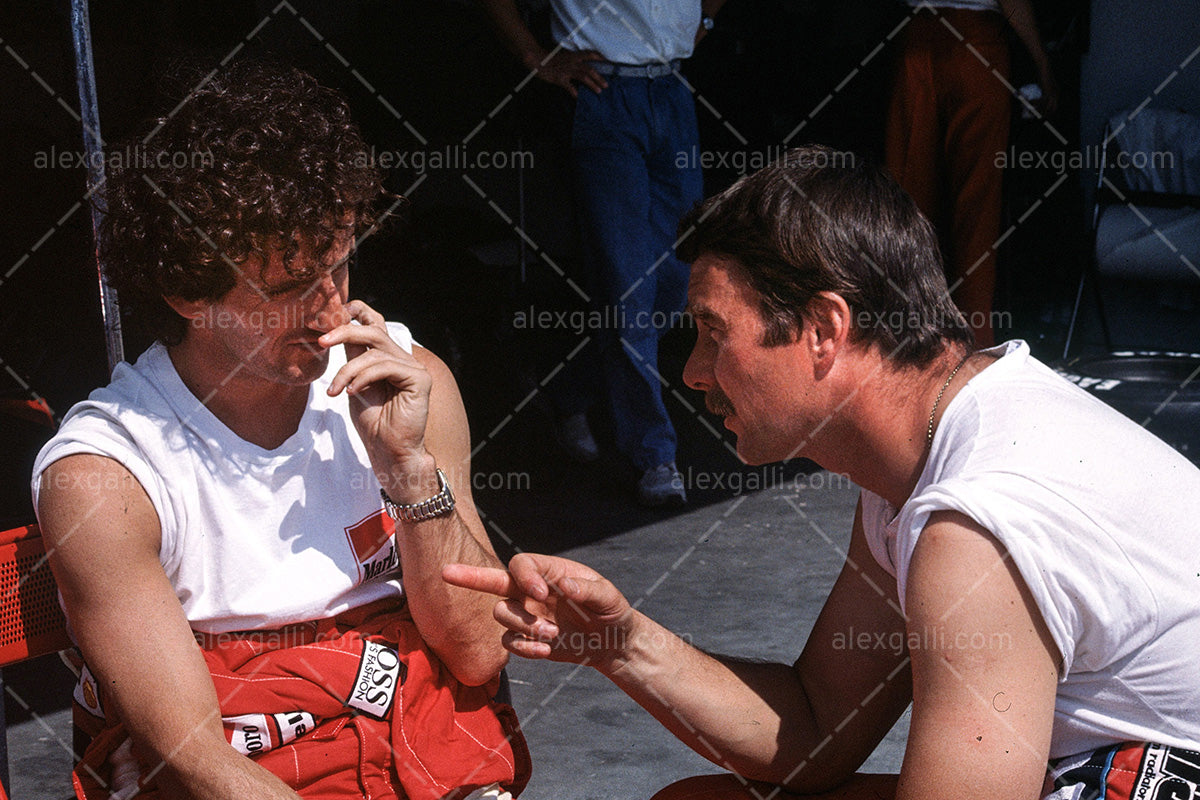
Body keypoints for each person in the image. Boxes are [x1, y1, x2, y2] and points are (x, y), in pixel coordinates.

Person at [445, 146, 1200, 799]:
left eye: (713, 333)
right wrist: (622, 643)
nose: (694, 373)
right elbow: (815, 725)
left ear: (823, 329)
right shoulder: (930, 460)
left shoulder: (976, 520)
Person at [32, 60, 529, 800]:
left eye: (341, 265)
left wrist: (409, 468)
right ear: (187, 293)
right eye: (291, 288)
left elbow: (481, 651)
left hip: (416, 759)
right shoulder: (107, 476)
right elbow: (197, 762)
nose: (332, 314)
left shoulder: (407, 381)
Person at [481, 0, 727, 505]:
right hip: (602, 93)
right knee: (627, 286)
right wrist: (535, 55)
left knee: (680, 279)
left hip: (671, 90)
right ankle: (654, 455)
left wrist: (703, 20)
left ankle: (569, 390)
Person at [885, 0, 1058, 348]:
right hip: (976, 43)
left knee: (906, 200)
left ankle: (900, 336)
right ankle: (972, 343)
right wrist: (1042, 63)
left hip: (918, 38)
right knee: (976, 206)